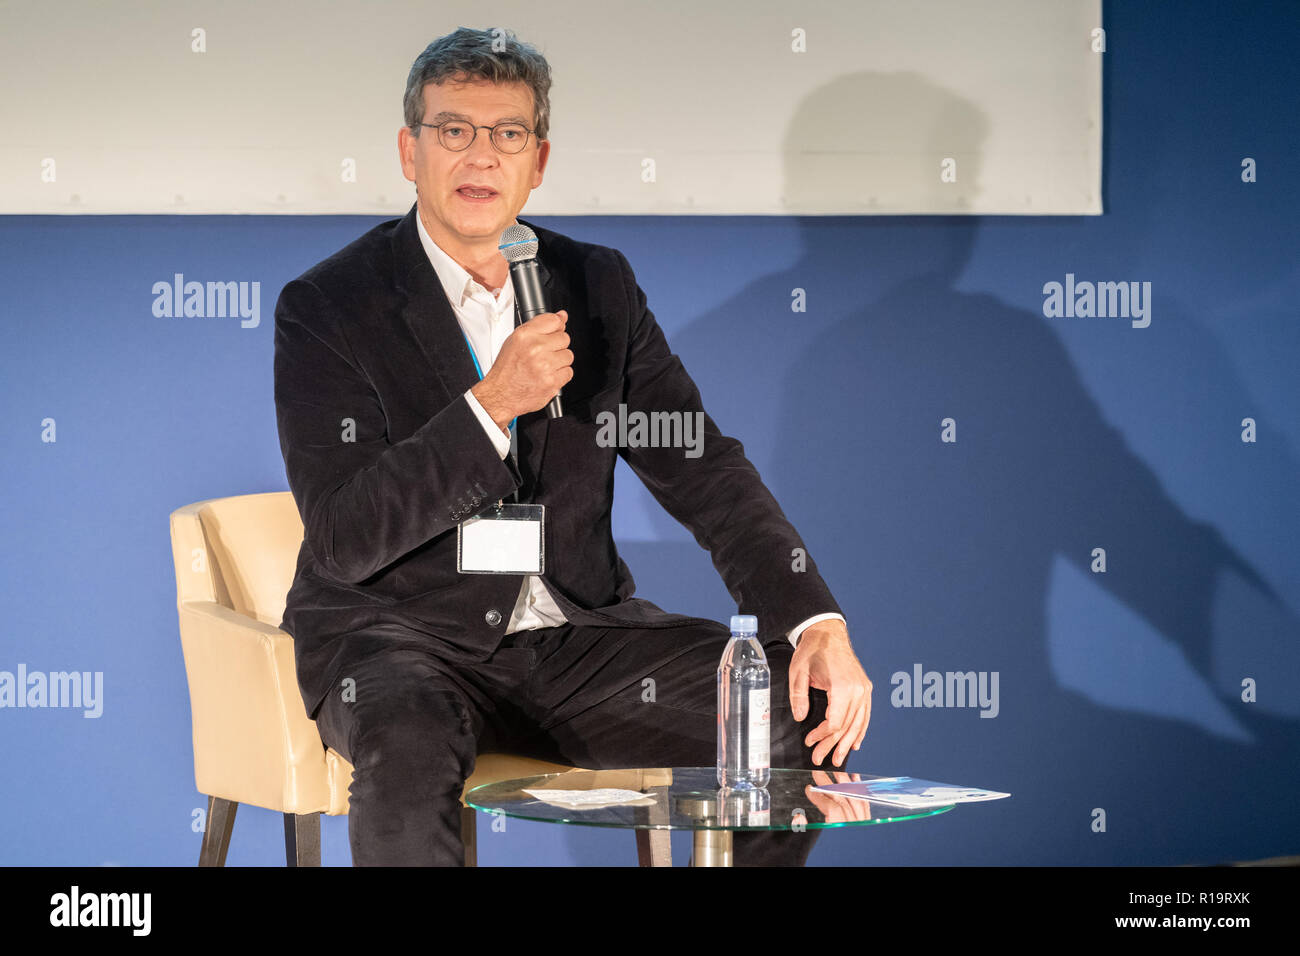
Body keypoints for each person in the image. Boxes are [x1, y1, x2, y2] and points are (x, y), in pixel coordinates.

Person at [273, 26, 872, 866]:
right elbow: (343, 534)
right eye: (453, 131)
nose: (480, 156)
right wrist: (490, 406)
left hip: (572, 639)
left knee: (789, 711)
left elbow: (700, 465)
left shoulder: (596, 286)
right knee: (407, 754)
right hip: (400, 639)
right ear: (410, 152)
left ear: (538, 161)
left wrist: (812, 617)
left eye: (507, 134)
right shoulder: (331, 305)